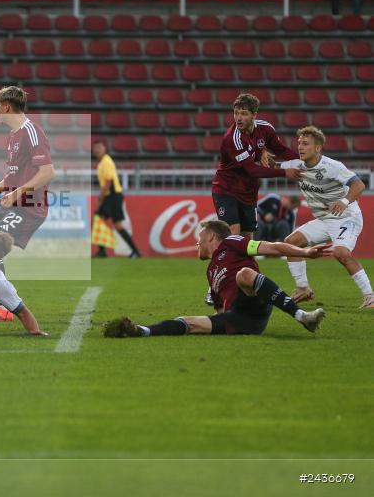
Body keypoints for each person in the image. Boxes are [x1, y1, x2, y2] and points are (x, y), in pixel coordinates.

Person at [104, 221, 328, 338]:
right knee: (188, 321)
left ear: (211, 236)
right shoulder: (210, 272)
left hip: (253, 304)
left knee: (244, 274)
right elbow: (220, 313)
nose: (197, 243)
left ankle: (302, 317)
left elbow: (271, 246)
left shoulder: (232, 242)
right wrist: (215, 322)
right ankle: (141, 331)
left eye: (200, 237)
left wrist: (305, 252)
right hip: (238, 320)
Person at [0, 86, 54, 321]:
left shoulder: (32, 131)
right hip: (13, 205)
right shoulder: (13, 136)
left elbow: (47, 173)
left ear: (6, 106)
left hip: (29, 209)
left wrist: (17, 193)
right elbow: (12, 176)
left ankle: (3, 308)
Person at [276, 126, 372, 309]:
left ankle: (370, 297)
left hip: (346, 216)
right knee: (290, 244)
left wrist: (344, 201)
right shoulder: (296, 165)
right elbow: (271, 165)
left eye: (306, 144)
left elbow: (359, 185)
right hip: (325, 219)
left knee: (341, 253)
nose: (300, 147)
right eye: (299, 144)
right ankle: (303, 289)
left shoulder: (332, 167)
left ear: (318, 147)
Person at [211, 93, 302, 240]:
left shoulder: (265, 129)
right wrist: (284, 172)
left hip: (248, 192)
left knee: (247, 238)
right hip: (226, 189)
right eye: (236, 113)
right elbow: (252, 170)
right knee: (233, 233)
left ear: (254, 115)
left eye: (244, 114)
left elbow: (281, 150)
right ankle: (225, 263)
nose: (238, 118)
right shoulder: (233, 139)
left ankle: (246, 264)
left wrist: (304, 162)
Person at [92, 140, 141, 258]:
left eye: (99, 147)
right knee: (100, 220)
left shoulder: (106, 162)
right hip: (111, 196)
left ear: (104, 149)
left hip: (113, 196)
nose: (97, 150)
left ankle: (135, 252)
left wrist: (101, 198)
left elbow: (109, 182)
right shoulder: (102, 163)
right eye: (95, 148)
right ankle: (102, 251)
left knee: (114, 224)